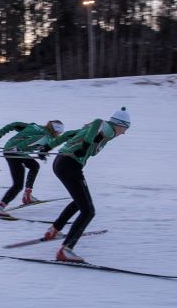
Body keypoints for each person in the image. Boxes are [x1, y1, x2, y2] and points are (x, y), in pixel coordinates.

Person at [42, 108, 131, 262]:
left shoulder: (103, 133)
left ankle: (54, 230)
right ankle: (66, 250)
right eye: (125, 129)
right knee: (88, 211)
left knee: (79, 202)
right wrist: (85, 147)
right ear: (119, 125)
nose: (124, 133)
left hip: (62, 163)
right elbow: (98, 122)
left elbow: (70, 134)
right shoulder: (107, 128)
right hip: (70, 165)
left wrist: (48, 147)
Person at [0, 119, 69, 216]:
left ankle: (28, 195)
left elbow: (14, 124)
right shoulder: (46, 137)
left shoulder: (35, 126)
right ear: (56, 131)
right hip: (15, 153)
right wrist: (18, 149)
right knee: (18, 185)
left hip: (15, 150)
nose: (59, 134)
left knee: (34, 166)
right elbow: (32, 141)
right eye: (59, 132)